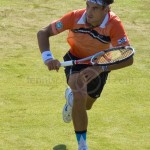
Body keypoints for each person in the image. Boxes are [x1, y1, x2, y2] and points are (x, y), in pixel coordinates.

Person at [37, 0, 134, 149]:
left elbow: (128, 58)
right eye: (88, 5)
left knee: (86, 105)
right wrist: (48, 58)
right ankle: (82, 146)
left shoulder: (114, 24)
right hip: (75, 59)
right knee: (79, 93)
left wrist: (99, 69)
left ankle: (71, 99)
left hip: (100, 64)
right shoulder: (75, 17)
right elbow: (43, 33)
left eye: (95, 8)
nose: (89, 12)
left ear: (106, 9)